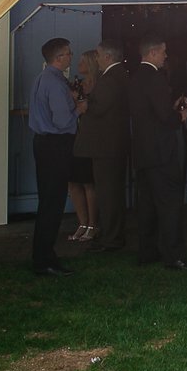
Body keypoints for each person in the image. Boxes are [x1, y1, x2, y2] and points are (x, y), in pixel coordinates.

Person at [130, 38, 187, 270]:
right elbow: (165, 117)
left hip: (142, 150)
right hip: (161, 151)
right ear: (154, 53)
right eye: (164, 52)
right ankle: (175, 255)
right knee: (169, 204)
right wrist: (180, 116)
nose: (166, 56)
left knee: (146, 204)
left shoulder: (135, 78)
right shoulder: (155, 78)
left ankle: (147, 251)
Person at [28, 37, 77, 276]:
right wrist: (79, 109)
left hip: (43, 144)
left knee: (47, 200)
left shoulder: (42, 78)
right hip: (55, 145)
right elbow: (61, 120)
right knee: (53, 202)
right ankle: (44, 258)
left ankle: (43, 253)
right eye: (68, 53)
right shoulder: (56, 84)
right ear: (59, 58)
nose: (71, 57)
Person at [76, 41, 130, 253]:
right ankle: (110, 235)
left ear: (107, 57)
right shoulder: (117, 76)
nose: (95, 59)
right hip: (112, 145)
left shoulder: (110, 79)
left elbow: (99, 109)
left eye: (98, 55)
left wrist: (85, 104)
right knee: (110, 192)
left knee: (109, 194)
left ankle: (112, 239)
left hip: (107, 146)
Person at [65, 49, 100, 242]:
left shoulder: (98, 87)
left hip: (89, 138)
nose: (78, 64)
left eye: (82, 61)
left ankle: (93, 224)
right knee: (74, 181)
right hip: (73, 137)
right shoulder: (76, 84)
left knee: (88, 182)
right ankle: (82, 222)